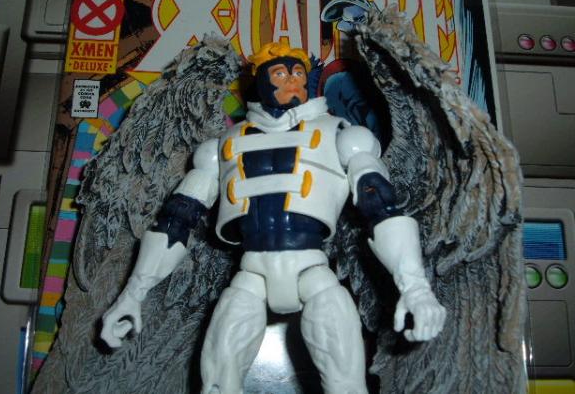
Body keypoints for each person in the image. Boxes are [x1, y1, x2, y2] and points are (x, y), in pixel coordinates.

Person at [100, 42, 446, 394]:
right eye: (280, 73)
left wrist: (416, 288)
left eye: (298, 73)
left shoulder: (342, 135)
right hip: (251, 276)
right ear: (261, 81)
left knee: (346, 386)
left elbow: (382, 207)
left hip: (314, 274)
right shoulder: (221, 147)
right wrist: (132, 294)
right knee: (217, 385)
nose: (292, 81)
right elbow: (177, 220)